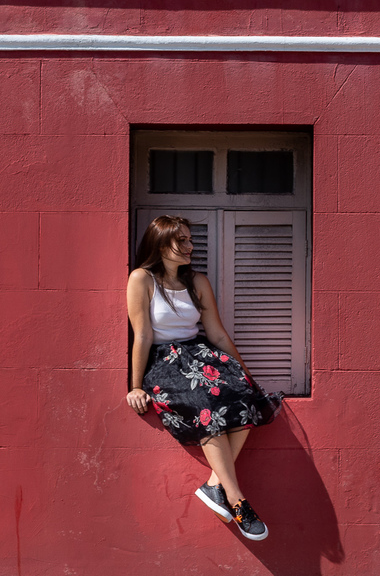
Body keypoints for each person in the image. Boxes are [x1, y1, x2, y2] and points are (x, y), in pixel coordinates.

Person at [125, 215, 282, 541]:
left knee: (245, 396)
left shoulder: (197, 282)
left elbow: (217, 334)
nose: (190, 246)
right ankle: (237, 500)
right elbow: (142, 335)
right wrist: (135, 386)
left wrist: (246, 374)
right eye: (181, 240)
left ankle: (214, 485)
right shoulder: (141, 279)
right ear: (161, 243)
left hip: (199, 354)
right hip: (164, 361)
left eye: (190, 239)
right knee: (204, 403)